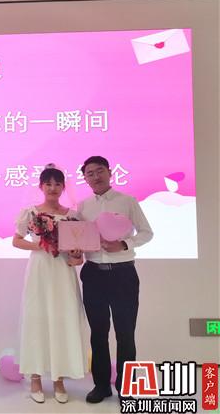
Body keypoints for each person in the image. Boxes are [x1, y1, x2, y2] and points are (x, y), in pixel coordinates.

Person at [78, 156, 153, 404]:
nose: (95, 176)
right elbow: (79, 237)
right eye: (90, 173)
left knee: (125, 333)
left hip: (123, 274)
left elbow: (147, 232)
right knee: (98, 333)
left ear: (110, 173)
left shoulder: (127, 201)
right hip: (93, 274)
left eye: (99, 171)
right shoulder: (83, 207)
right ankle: (101, 386)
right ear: (85, 178)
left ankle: (127, 388)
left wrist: (123, 244)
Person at [12, 165, 88, 404]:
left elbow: (78, 257)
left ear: (63, 187)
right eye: (48, 184)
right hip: (40, 270)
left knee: (62, 321)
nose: (53, 188)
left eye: (57, 184)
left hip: (63, 272)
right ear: (41, 186)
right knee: (37, 319)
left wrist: (75, 253)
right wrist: (39, 245)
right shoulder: (31, 213)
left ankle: (58, 379)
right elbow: (16, 240)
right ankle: (35, 378)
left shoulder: (72, 215)